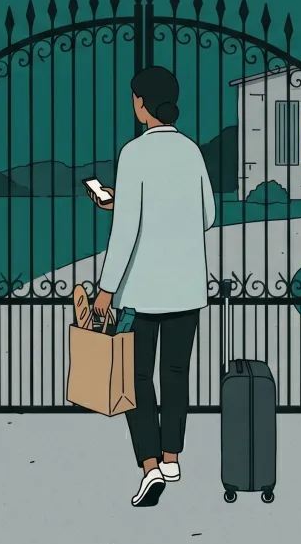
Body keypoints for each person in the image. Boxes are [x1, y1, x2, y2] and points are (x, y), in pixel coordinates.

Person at [87, 65, 216, 508]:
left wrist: (105, 289)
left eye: (133, 98)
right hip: (185, 289)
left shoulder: (134, 154)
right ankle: (172, 456)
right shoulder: (192, 152)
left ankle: (149, 468)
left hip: (140, 291)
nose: (133, 105)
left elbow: (126, 230)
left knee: (137, 378)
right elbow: (207, 216)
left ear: (143, 103)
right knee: (176, 375)